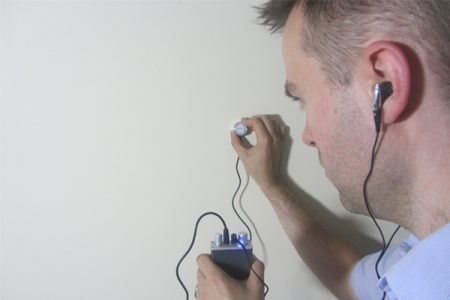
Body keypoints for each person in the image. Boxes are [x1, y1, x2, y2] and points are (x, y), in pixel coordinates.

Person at [196, 1, 450, 299]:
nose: (307, 136)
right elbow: (349, 280)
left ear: (385, 82)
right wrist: (271, 184)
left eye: (303, 99)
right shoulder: (420, 255)